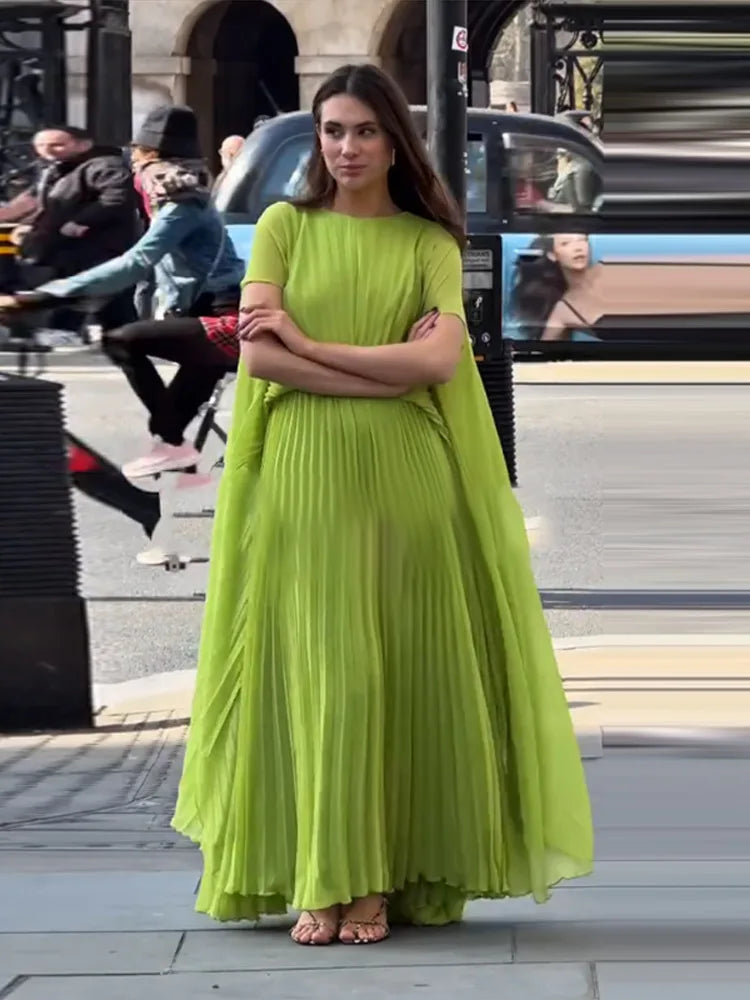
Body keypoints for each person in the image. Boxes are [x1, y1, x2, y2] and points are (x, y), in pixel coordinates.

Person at [172, 63, 593, 947]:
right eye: (333, 131)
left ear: (395, 140)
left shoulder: (427, 243)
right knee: (322, 668)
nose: (348, 147)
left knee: (392, 669)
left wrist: (311, 342)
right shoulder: (283, 227)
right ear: (317, 141)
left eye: (365, 130)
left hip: (408, 482)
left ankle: (378, 881)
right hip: (301, 474)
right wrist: (372, 369)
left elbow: (437, 368)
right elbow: (260, 363)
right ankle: (322, 876)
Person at [5, 106, 245, 479]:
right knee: (170, 440)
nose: (132, 163)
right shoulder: (170, 194)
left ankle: (182, 482)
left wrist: (48, 295)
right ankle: (181, 504)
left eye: (137, 154)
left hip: (224, 317)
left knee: (123, 342)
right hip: (202, 311)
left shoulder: (181, 202)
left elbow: (138, 261)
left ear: (150, 156)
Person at [1, 124, 140, 329]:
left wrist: (81, 221)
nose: (47, 150)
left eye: (57, 145)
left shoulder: (104, 165)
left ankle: (71, 329)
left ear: (84, 145)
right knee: (88, 293)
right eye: (40, 145)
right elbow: (29, 201)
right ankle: (119, 334)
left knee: (95, 293)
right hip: (66, 248)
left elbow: (117, 198)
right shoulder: (53, 170)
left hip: (97, 245)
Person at [511, 232, 602, 341]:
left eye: (583, 240)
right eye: (565, 243)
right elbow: (543, 350)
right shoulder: (563, 310)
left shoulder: (607, 272)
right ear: (552, 255)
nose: (578, 248)